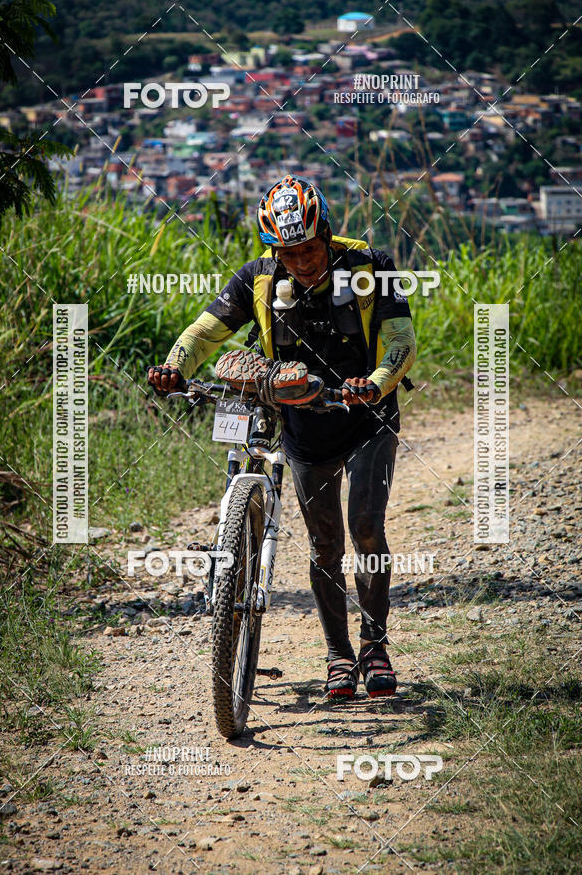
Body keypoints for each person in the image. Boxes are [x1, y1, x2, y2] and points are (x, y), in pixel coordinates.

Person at [148, 175, 416, 700]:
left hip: (367, 416)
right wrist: (174, 366)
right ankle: (338, 655)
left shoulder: (372, 267)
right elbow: (205, 332)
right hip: (304, 425)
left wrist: (375, 384)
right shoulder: (259, 278)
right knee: (324, 544)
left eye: (309, 249)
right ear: (273, 250)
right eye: (287, 253)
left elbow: (401, 341)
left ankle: (375, 647)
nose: (301, 262)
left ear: (327, 235)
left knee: (365, 528)